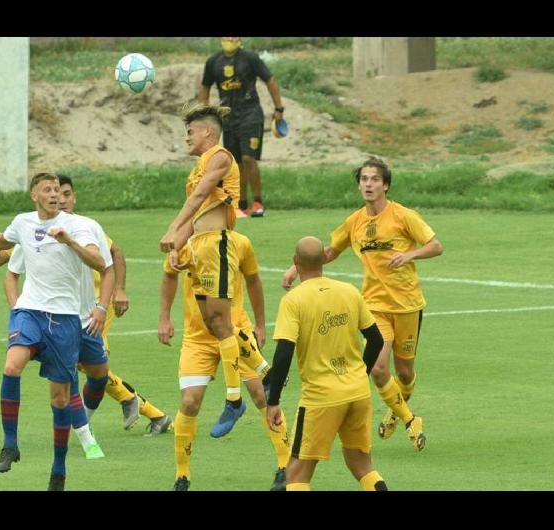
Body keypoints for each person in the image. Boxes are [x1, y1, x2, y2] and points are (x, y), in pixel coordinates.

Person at [0, 175, 173, 436]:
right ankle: (140, 410)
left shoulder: (82, 227)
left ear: (73, 198)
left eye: (64, 194)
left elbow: (114, 254)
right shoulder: (37, 228)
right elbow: (5, 257)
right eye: (53, 192)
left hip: (93, 306)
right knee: (78, 364)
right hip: (59, 309)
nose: (59, 199)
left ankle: (137, 405)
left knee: (87, 364)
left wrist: (118, 290)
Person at [281, 157, 443, 451]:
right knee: (379, 369)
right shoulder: (354, 222)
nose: (368, 184)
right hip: (374, 306)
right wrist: (297, 268)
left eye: (374, 179)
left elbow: (435, 245)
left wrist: (409, 256)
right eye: (364, 179)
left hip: (407, 305)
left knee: (404, 372)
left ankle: (396, 409)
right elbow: (330, 251)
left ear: (386, 185)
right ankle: (410, 420)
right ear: (359, 185)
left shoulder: (403, 216)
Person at [0, 172, 107, 491]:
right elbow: (4, 240)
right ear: (34, 196)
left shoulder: (79, 226)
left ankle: (58, 469)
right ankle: (10, 444)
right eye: (48, 190)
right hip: (31, 310)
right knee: (12, 365)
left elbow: (98, 262)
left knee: (59, 397)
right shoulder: (24, 222)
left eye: (58, 190)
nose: (55, 194)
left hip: (66, 319)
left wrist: (68, 240)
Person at [159, 229, 291, 492]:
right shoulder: (183, 243)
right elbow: (169, 275)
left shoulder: (240, 242)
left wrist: (261, 324)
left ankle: (286, 467)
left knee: (262, 397)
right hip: (198, 338)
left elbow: (254, 281)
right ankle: (182, 476)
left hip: (235, 332)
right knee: (189, 401)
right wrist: (164, 316)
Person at [159, 102, 261, 439]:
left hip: (217, 243)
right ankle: (263, 371)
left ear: (208, 132)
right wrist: (179, 245)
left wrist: (173, 228)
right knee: (214, 322)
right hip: (201, 245)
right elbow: (199, 207)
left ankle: (234, 398)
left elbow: (203, 195)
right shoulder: (199, 166)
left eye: (190, 131)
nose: (186, 137)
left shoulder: (219, 156)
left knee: (222, 321)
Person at [266, 236, 387, 491]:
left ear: (295, 262)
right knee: (362, 466)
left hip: (321, 398)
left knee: (296, 474)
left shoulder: (293, 301)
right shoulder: (349, 291)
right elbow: (376, 340)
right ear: (323, 260)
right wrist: (358, 374)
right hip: (357, 392)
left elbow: (284, 354)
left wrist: (273, 401)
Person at [199, 36, 285, 218]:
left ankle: (258, 202)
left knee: (248, 158)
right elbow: (205, 87)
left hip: (251, 115)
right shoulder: (213, 62)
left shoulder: (250, 58)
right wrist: (204, 114)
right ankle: (241, 204)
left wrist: (278, 108)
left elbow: (270, 80)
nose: (230, 39)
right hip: (228, 118)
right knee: (235, 163)